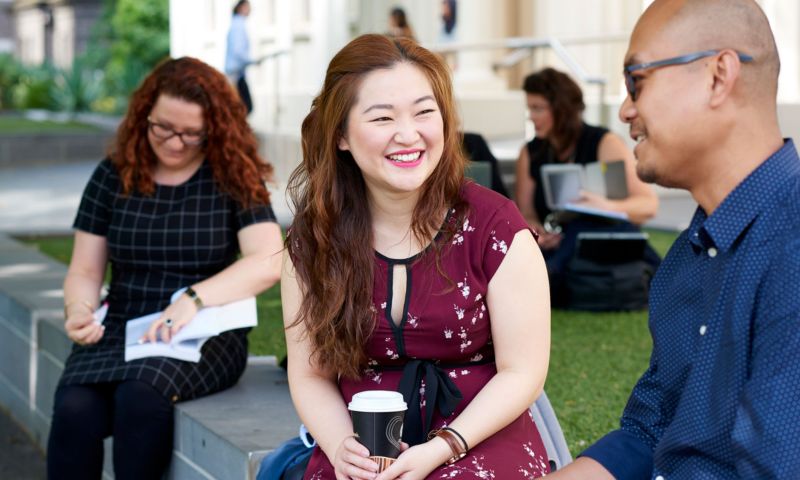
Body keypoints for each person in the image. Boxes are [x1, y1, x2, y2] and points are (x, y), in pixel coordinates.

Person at [548, 0, 800, 478]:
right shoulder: (689, 254)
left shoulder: (791, 247)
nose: (625, 110)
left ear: (717, 75)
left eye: (635, 81)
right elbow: (651, 429)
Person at [282, 34, 551, 479]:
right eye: (382, 117)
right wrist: (339, 446)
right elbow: (310, 375)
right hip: (360, 440)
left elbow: (522, 372)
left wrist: (441, 448)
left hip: (477, 433)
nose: (409, 135)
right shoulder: (313, 242)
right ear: (341, 136)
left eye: (425, 112)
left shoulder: (495, 227)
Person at [46, 57, 282, 479]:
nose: (175, 143)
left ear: (215, 128)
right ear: (144, 116)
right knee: (73, 408)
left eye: (192, 134)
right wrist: (78, 309)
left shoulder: (231, 174)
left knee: (140, 396)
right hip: (121, 323)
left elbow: (268, 259)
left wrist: (193, 299)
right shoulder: (113, 174)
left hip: (204, 329)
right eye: (164, 128)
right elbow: (84, 270)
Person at [515, 67, 660, 306]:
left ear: (562, 109)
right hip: (554, 245)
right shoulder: (530, 152)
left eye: (538, 108)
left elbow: (647, 205)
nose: (531, 116)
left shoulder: (603, 142)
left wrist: (603, 206)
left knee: (582, 224)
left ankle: (549, 278)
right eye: (529, 108)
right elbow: (526, 213)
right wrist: (537, 232)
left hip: (600, 240)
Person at [225, 0, 259, 114]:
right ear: (242, 8)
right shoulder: (239, 25)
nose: (250, 10)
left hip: (237, 73)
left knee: (241, 107)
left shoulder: (236, 24)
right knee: (243, 107)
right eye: (248, 7)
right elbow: (238, 51)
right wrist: (252, 61)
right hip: (235, 73)